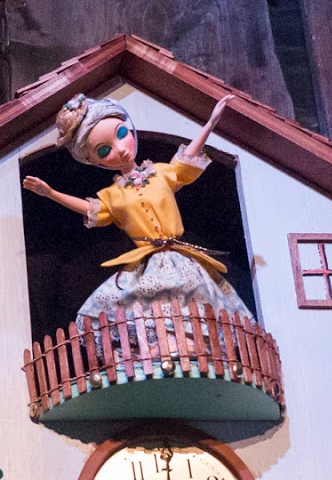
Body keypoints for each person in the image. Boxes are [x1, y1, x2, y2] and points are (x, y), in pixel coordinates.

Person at [21, 92, 256, 326]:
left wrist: (211, 122)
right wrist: (50, 193)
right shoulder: (114, 195)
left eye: (122, 134)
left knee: (200, 302)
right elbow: (90, 208)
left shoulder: (161, 173)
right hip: (147, 264)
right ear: (95, 161)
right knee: (142, 309)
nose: (121, 149)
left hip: (181, 259)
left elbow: (186, 159)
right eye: (104, 151)